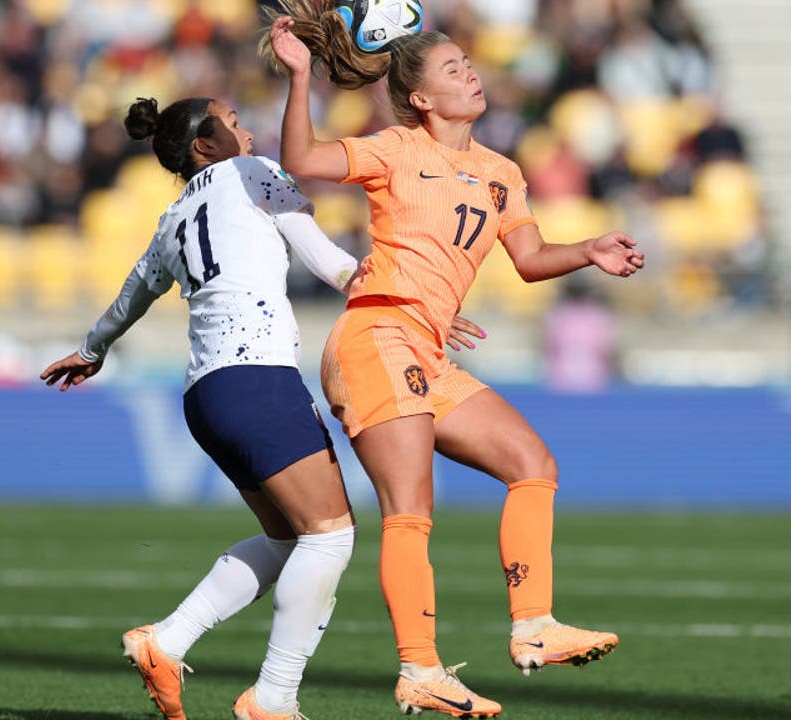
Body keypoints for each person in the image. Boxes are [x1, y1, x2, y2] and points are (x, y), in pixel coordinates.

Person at [38, 95, 485, 720]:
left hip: (206, 395)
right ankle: (273, 697)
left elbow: (133, 291)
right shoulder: (256, 173)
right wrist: (417, 304)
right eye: (233, 122)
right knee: (331, 537)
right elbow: (330, 262)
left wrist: (92, 349)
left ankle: (166, 642)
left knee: (288, 539)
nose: (247, 131)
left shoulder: (173, 216)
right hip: (256, 378)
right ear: (205, 144)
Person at [265, 9, 645, 718]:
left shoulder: (501, 171)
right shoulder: (394, 149)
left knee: (533, 463)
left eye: (467, 64)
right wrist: (298, 76)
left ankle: (534, 626)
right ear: (421, 99)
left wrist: (586, 249)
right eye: (451, 70)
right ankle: (420, 670)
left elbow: (529, 261)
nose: (469, 73)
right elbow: (304, 161)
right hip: (375, 337)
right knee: (410, 511)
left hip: (428, 347)